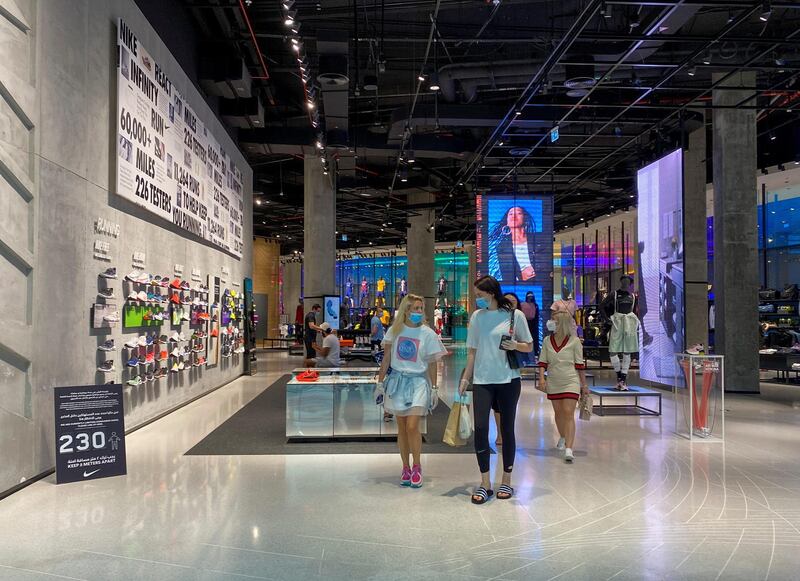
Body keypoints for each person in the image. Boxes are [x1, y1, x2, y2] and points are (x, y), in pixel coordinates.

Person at [460, 276, 533, 504]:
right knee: (480, 428)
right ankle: (484, 483)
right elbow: (472, 351)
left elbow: (528, 345)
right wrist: (465, 379)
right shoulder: (477, 318)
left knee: (506, 428)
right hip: (482, 380)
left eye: (480, 295)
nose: (477, 299)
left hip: (508, 380)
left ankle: (507, 480)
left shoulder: (514, 315)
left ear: (491, 293)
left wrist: (516, 345)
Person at [376, 294, 446, 488]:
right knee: (402, 426)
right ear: (406, 310)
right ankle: (405, 466)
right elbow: (387, 358)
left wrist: (434, 388)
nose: (418, 312)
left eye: (421, 308)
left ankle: (417, 465)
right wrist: (380, 383)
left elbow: (432, 363)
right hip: (397, 382)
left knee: (412, 425)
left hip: (418, 384)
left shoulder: (428, 334)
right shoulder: (395, 331)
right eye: (415, 308)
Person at [537, 311, 588, 463]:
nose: (550, 322)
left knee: (568, 412)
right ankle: (563, 436)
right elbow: (542, 362)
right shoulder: (547, 340)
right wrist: (541, 379)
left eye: (554, 320)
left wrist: (584, 385)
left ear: (562, 324)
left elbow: (579, 365)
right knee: (558, 412)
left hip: (570, 380)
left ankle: (569, 448)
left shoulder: (575, 341)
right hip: (554, 380)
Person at [493, 292, 524, 448]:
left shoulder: (519, 318)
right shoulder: (493, 319)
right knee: (496, 406)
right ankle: (499, 433)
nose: (511, 303)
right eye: (508, 301)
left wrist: (516, 344)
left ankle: (506, 433)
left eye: (514, 301)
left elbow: (528, 344)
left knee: (508, 407)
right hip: (493, 369)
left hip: (511, 367)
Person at [600, 274, 640, 390]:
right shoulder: (614, 294)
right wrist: (607, 320)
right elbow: (601, 306)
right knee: (613, 350)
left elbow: (635, 311)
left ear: (630, 283)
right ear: (621, 281)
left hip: (629, 324)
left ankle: (623, 379)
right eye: (624, 281)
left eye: (628, 281)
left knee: (627, 352)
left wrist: (637, 324)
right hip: (617, 323)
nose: (626, 283)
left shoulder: (633, 296)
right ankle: (619, 376)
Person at [488, 206, 537, 282]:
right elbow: (507, 276)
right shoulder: (502, 246)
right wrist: (521, 276)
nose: (514, 216)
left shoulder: (538, 238)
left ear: (525, 218)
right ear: (507, 220)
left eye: (519, 213)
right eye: (510, 214)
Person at [520, 291, 540, 359]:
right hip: (524, 323)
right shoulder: (522, 304)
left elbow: (536, 316)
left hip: (533, 324)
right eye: (529, 297)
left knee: (534, 339)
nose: (530, 298)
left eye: (531, 297)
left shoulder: (536, 305)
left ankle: (535, 355)